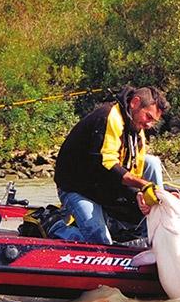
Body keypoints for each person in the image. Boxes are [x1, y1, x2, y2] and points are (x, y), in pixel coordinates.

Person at [52, 85, 169, 243]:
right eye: (148, 117)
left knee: (152, 162)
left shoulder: (137, 128)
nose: (149, 125)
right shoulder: (108, 117)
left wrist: (139, 194)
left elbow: (135, 169)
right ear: (135, 103)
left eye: (153, 121)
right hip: (76, 187)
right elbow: (106, 166)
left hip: (103, 186)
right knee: (100, 240)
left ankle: (159, 216)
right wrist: (143, 185)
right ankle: (55, 227)